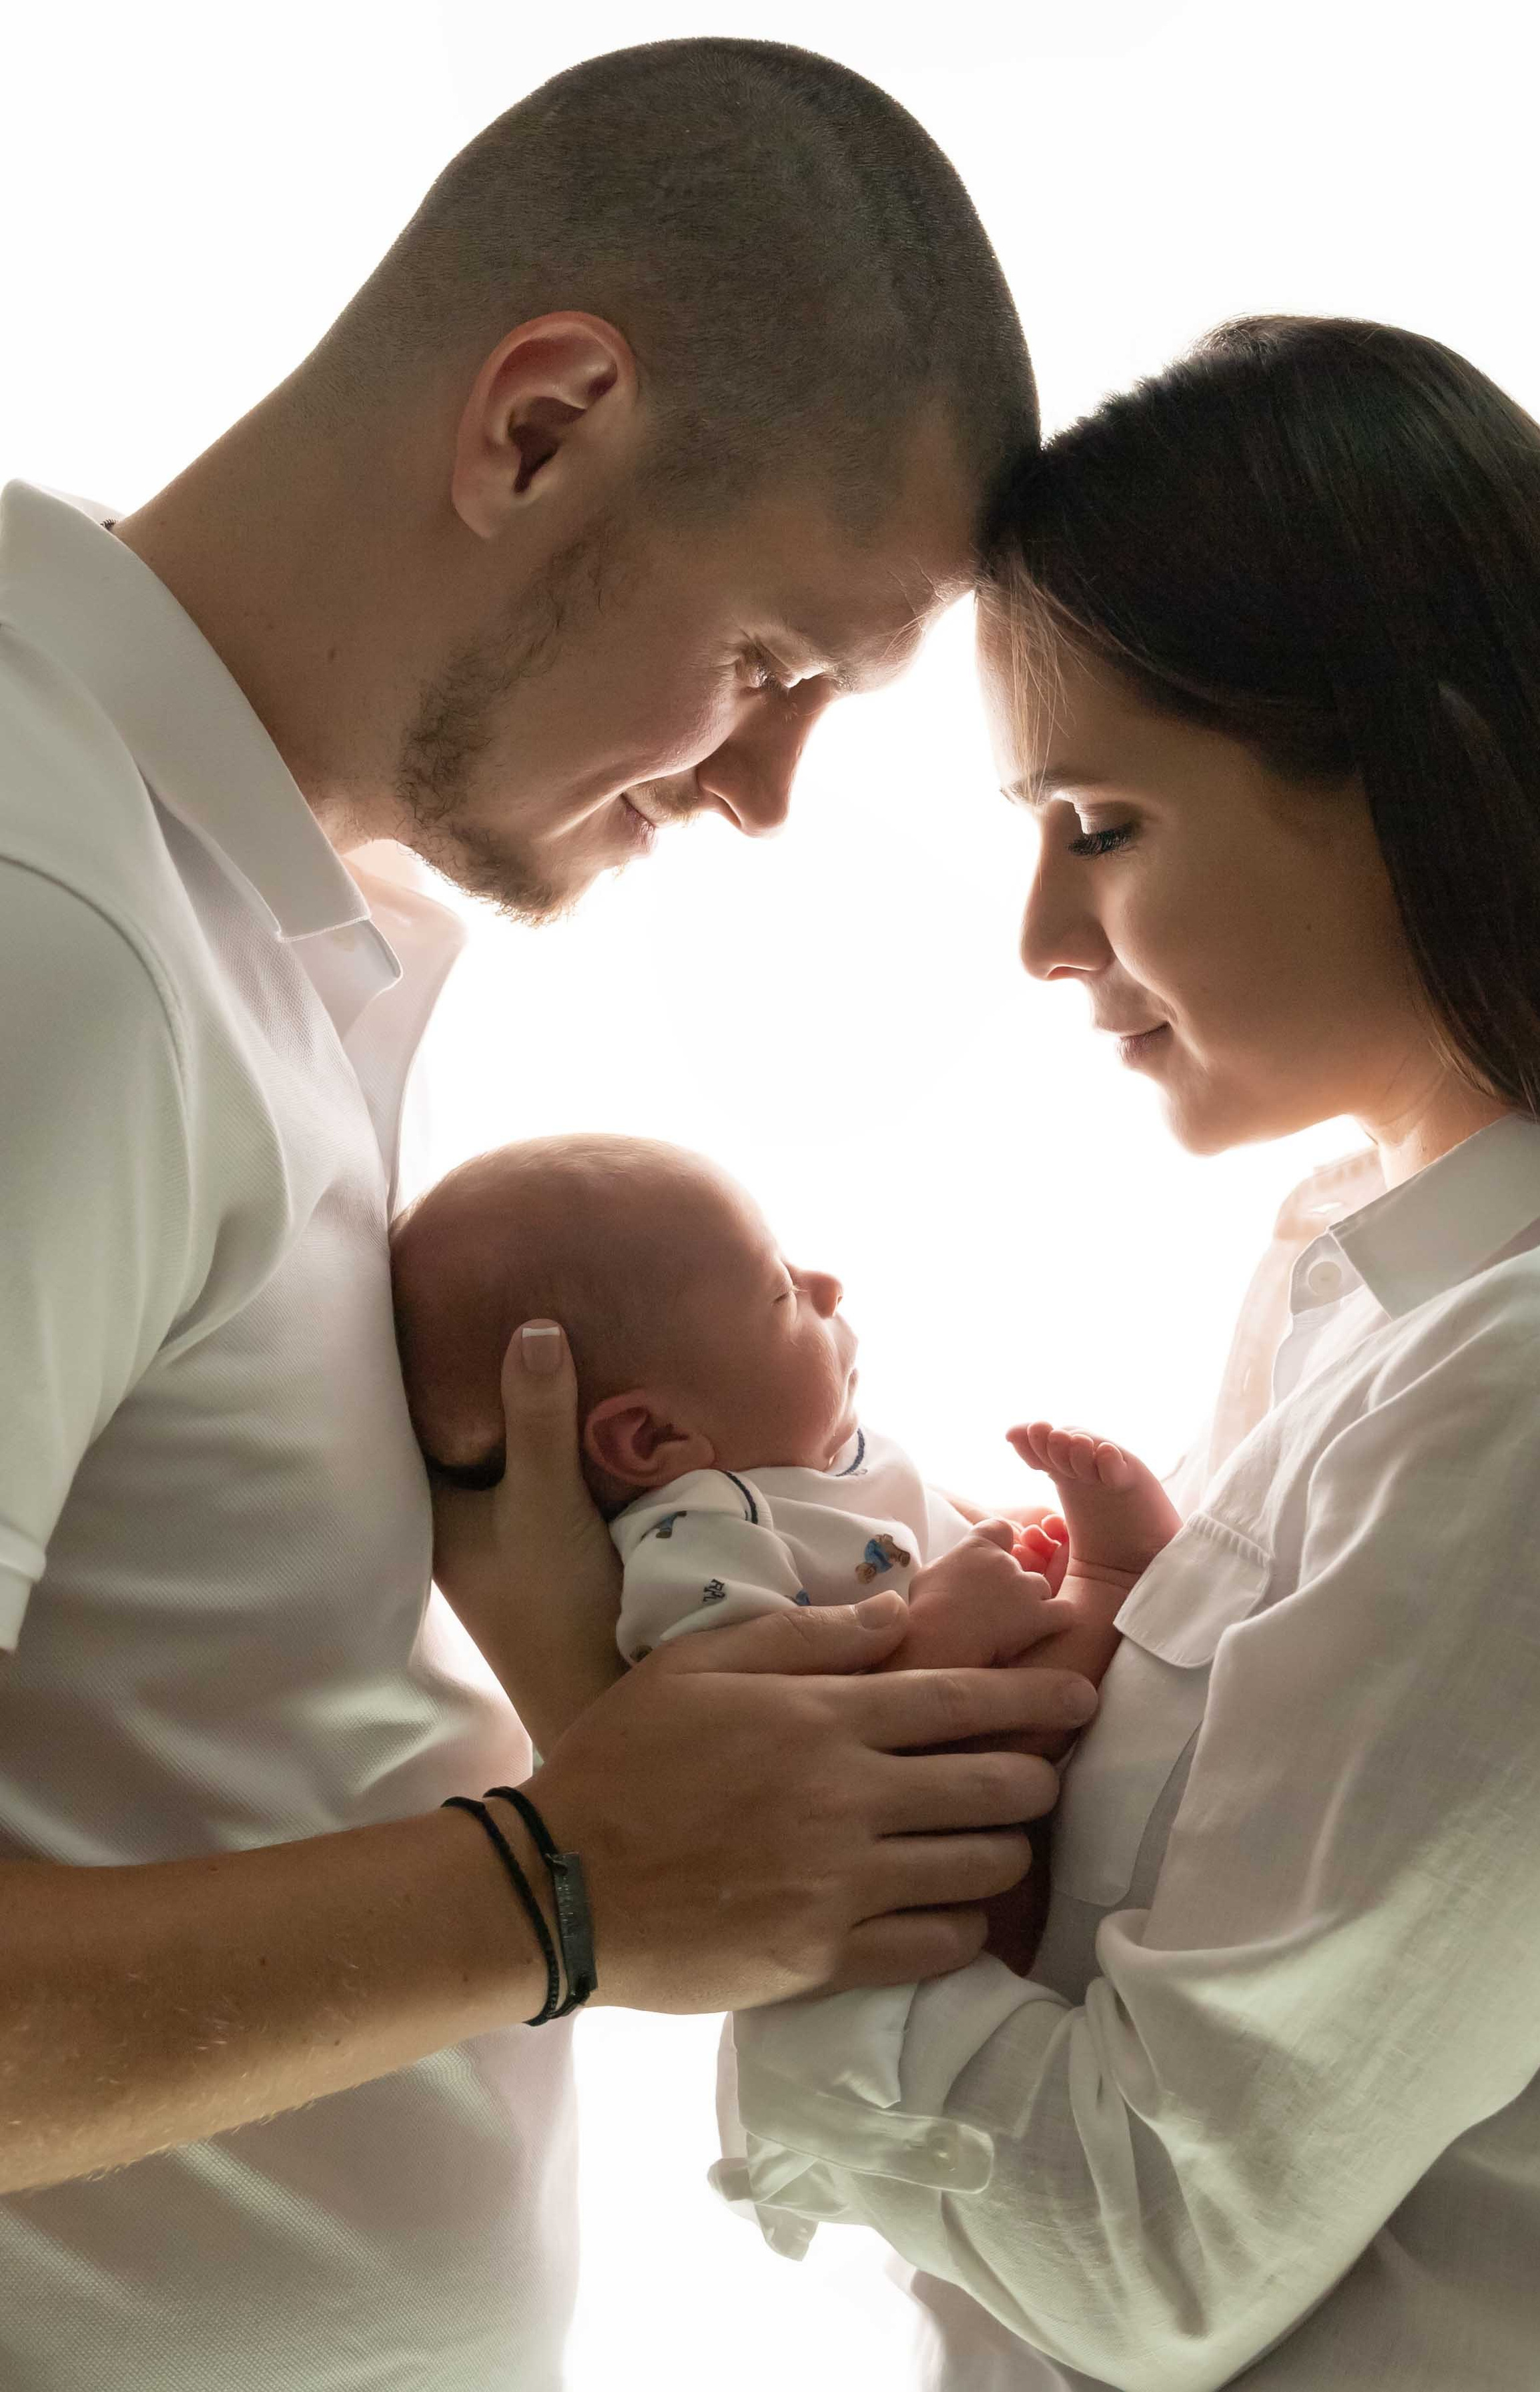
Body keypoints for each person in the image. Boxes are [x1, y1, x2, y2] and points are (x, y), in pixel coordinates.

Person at [0, 40, 1102, 2392]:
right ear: (536, 424)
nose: (773, 791)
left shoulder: (243, 911)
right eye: (776, 664)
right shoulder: (50, 928)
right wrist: (568, 1885)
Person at [712, 316, 1540, 2389]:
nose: (1040, 942)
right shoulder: (1363, 1265)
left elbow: (1159, 2241)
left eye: (1099, 820)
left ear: (1413, 776)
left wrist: (717, 1869)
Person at [387, 1132, 1178, 1701]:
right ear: (653, 1437)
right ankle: (1113, 1574)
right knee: (1036, 1712)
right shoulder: (698, 1539)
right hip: (919, 1805)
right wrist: (945, 1629)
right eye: (781, 1290)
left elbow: (901, 1518)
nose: (827, 1285)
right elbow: (781, 1735)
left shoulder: (822, 1456)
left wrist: (1009, 1530)